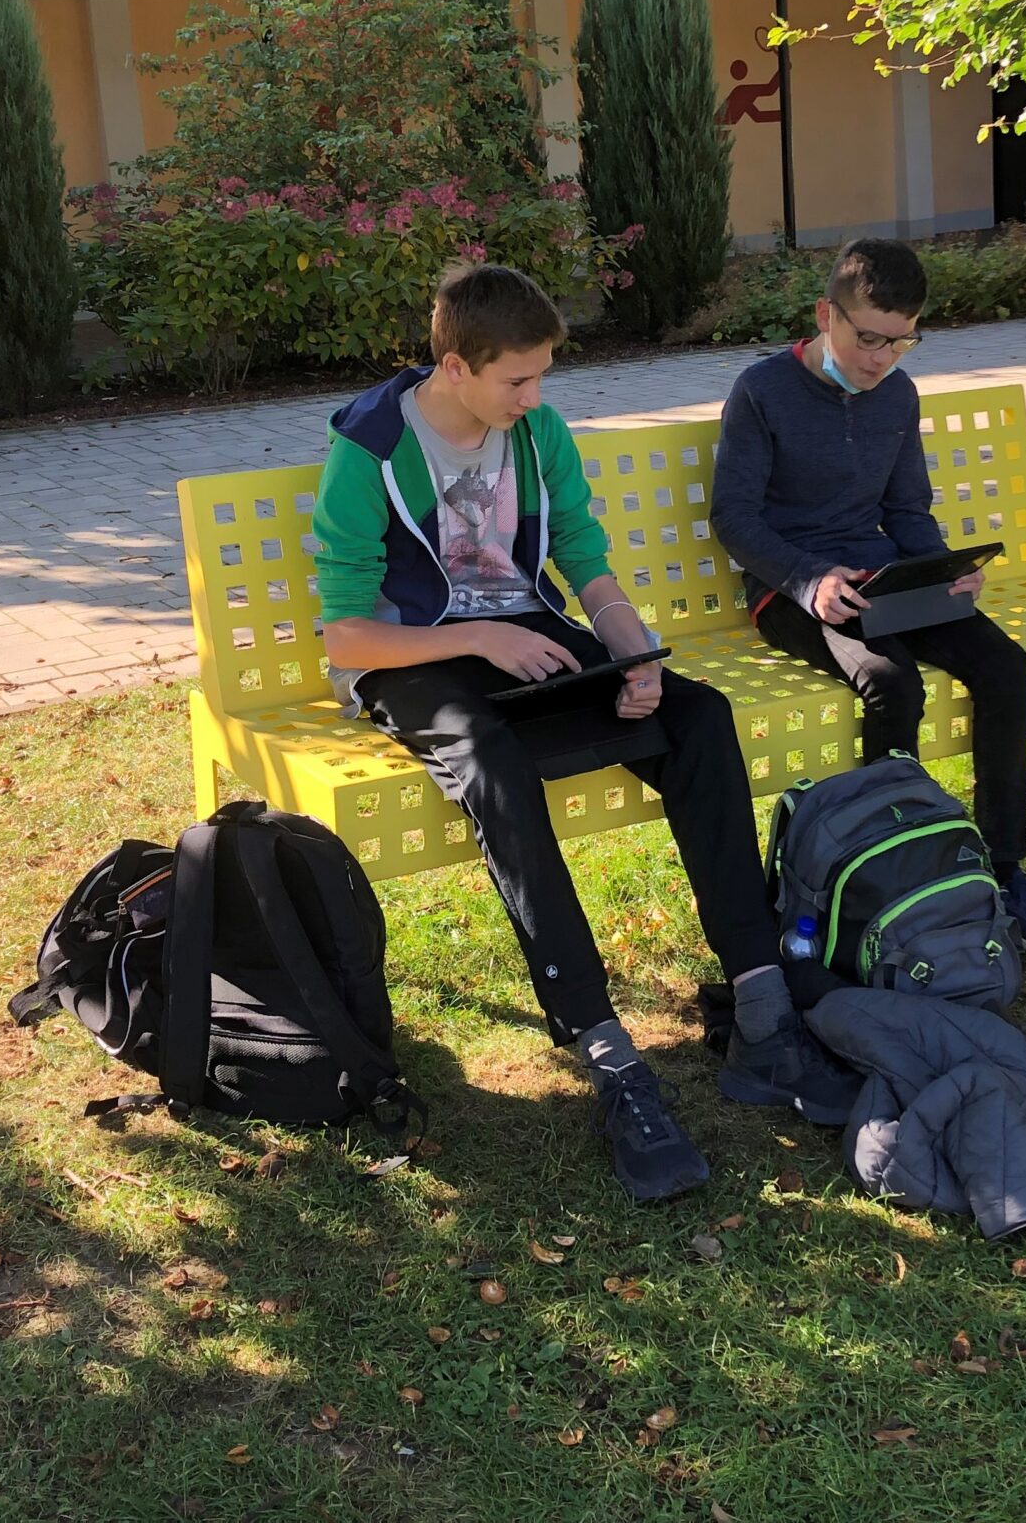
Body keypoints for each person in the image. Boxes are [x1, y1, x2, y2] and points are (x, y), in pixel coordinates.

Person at [315, 263, 860, 1202]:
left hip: (524, 642)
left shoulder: (537, 434)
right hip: (408, 661)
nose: (534, 399)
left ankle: (766, 1011)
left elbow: (586, 564)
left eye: (541, 379)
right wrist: (482, 634)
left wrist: (632, 651)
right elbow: (344, 633)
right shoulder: (368, 452)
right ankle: (608, 1054)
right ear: (453, 366)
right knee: (492, 760)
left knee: (695, 715)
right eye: (516, 381)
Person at [711, 239, 1026, 963]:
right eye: (867, 338)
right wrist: (808, 579)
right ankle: (897, 876)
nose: (881, 358)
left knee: (1004, 667)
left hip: (887, 576)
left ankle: (1007, 873)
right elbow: (734, 518)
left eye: (900, 342)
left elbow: (907, 507)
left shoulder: (897, 394)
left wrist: (942, 568)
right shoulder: (762, 391)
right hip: (794, 589)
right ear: (827, 314)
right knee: (891, 682)